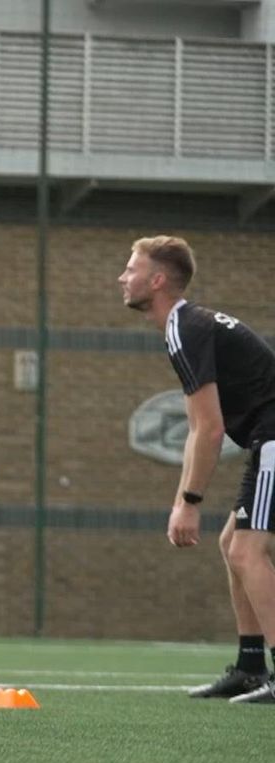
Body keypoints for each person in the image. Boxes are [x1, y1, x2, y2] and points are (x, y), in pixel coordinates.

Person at [122, 235, 275, 704]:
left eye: (131, 269)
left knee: (249, 551)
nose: (122, 277)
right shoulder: (186, 326)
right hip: (264, 440)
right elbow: (197, 426)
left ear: (158, 279)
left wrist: (188, 505)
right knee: (233, 544)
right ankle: (251, 667)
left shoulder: (184, 326)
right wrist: (181, 499)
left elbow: (208, 430)